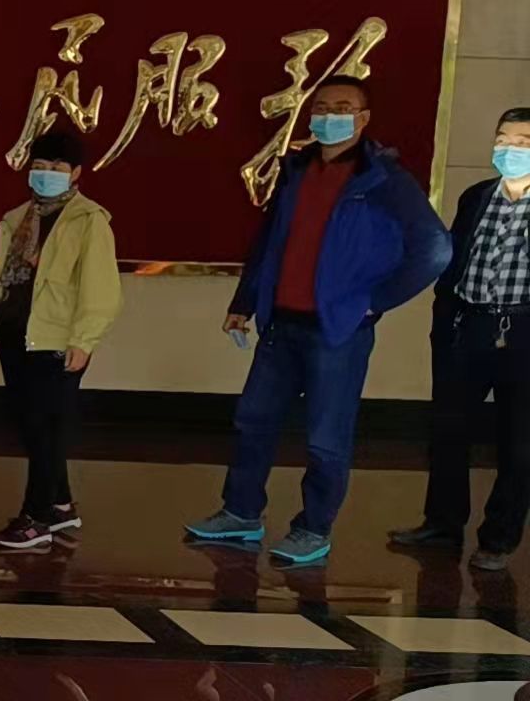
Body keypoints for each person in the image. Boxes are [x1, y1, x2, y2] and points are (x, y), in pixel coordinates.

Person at [187, 76, 449, 564]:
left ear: (363, 119)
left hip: (338, 329)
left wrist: (374, 302)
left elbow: (434, 249)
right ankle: (241, 513)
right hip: (280, 323)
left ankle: (313, 529)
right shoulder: (296, 168)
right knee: (252, 422)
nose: (330, 117)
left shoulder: (385, 180)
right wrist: (244, 302)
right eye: (322, 108)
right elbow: (268, 240)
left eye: (343, 108)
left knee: (326, 437)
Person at [392, 108, 530, 572]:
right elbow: (453, 261)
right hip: (469, 325)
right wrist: (444, 320)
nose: (509, 150)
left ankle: (499, 538)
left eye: (523, 142)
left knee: (519, 441)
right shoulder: (477, 196)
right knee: (448, 430)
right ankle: (442, 524)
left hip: (523, 330)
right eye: (503, 139)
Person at [0, 132, 121, 550]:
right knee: (30, 424)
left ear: (75, 172)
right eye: (40, 165)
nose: (46, 173)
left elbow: (101, 289)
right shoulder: (19, 217)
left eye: (57, 167)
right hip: (14, 330)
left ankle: (36, 518)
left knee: (45, 428)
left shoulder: (88, 221)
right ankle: (60, 505)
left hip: (56, 336)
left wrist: (84, 339)